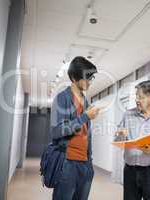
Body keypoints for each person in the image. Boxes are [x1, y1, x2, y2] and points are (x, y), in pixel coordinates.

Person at [50, 56, 101, 200]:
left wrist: (89, 164)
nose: (90, 82)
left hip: (85, 165)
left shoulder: (85, 101)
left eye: (91, 78)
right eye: (87, 78)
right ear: (73, 77)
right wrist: (85, 117)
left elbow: (85, 135)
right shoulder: (62, 98)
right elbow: (56, 131)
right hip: (68, 165)